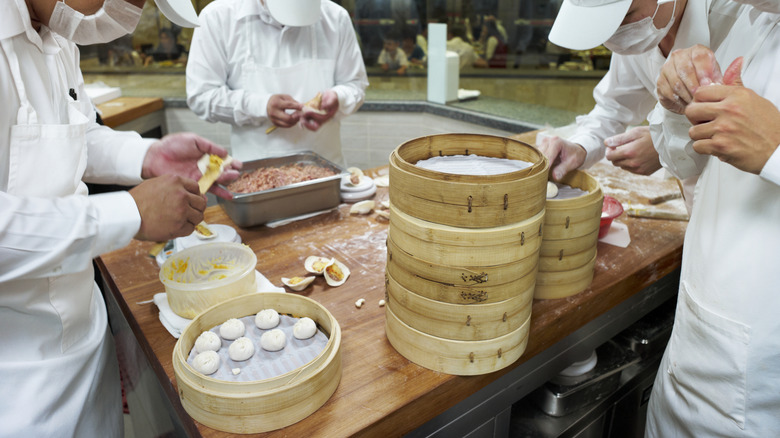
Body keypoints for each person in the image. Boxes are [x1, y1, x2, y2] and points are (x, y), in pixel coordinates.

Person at [0, 0, 241, 435]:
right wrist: (128, 212)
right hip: (13, 385)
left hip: (83, 345)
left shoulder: (55, 36)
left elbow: (68, 135)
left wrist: (145, 155)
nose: (130, 9)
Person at [644, 2, 780, 434]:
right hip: (693, 347)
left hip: (759, 392)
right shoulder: (751, 19)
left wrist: (776, 149)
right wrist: (673, 106)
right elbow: (687, 164)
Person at [540, 0, 742, 211]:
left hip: (741, 204)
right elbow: (613, 107)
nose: (617, 33)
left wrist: (661, 142)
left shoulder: (736, 21)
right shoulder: (640, 35)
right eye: (605, 24)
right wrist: (581, 146)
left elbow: (759, 135)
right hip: (699, 209)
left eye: (626, 16)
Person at [186, 0, 369, 166]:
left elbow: (355, 84)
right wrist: (260, 106)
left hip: (327, 170)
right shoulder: (218, 17)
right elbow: (201, 96)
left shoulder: (335, 17)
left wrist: (338, 98)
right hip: (255, 175)